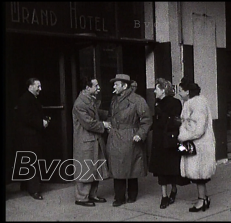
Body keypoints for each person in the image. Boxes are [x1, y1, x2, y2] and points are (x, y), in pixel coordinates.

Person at [106, 74, 152, 207]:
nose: (114, 86)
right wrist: (109, 125)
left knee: (131, 167)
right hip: (116, 136)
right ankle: (119, 197)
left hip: (130, 136)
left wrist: (140, 134)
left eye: (116, 84)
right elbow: (110, 115)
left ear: (124, 86)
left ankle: (132, 195)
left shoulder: (137, 100)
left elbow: (147, 120)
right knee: (117, 169)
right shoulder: (114, 100)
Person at [149, 78, 190, 209]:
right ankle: (164, 196)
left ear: (163, 90)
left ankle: (173, 190)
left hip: (170, 141)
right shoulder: (157, 103)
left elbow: (175, 120)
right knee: (161, 170)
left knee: (172, 168)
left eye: (157, 89)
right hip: (159, 141)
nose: (154, 91)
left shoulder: (175, 103)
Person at [177, 77, 216, 212]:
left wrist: (183, 136)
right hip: (201, 144)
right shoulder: (197, 102)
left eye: (180, 90)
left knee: (199, 174)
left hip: (199, 144)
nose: (179, 93)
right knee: (200, 174)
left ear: (187, 91)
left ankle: (201, 200)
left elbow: (198, 128)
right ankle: (204, 198)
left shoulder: (195, 103)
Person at [72, 76, 111, 207]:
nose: (99, 88)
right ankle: (81, 197)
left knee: (95, 168)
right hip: (86, 141)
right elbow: (88, 123)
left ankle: (92, 194)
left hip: (93, 140)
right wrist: (104, 125)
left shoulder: (89, 100)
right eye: (96, 86)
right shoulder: (80, 103)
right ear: (88, 88)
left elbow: (95, 114)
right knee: (86, 169)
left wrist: (109, 114)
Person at [15, 78, 50, 200]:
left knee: (30, 161)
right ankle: (34, 190)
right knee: (32, 162)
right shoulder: (25, 100)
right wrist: (41, 123)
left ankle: (26, 185)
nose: (40, 89)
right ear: (30, 86)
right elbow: (27, 118)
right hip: (29, 136)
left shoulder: (29, 99)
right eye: (38, 86)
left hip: (30, 135)